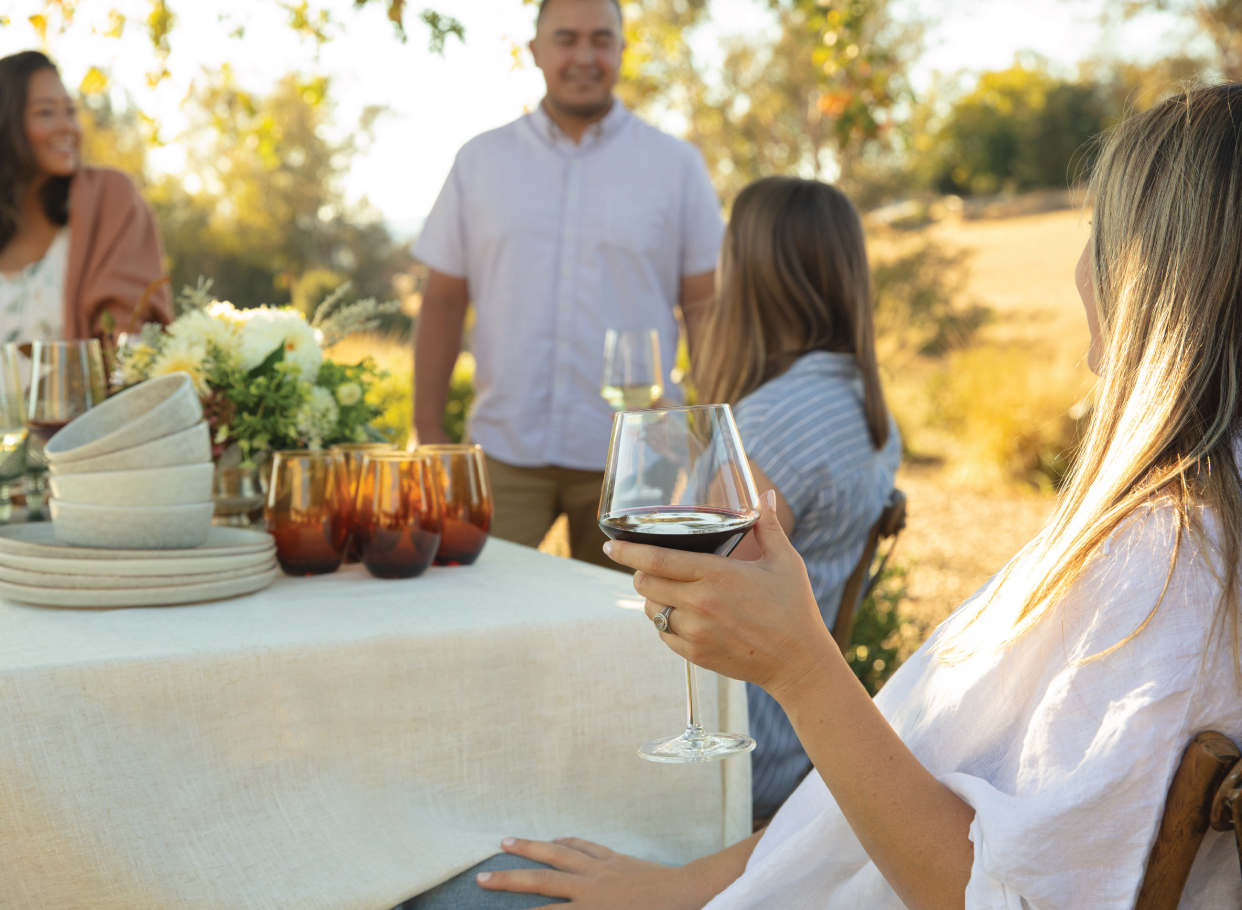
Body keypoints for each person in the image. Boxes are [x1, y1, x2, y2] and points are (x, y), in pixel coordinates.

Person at [400, 83, 1242, 909]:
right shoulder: (1167, 529)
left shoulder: (1168, 562)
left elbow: (999, 891)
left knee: (439, 857)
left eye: (1096, 234)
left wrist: (800, 668)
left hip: (765, 793)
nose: (1078, 267)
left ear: (1153, 273)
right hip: (796, 838)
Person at [412, 0, 724, 569]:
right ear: (534, 50)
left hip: (640, 462)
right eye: (566, 39)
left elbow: (704, 309)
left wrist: (713, 451)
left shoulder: (678, 166)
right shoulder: (479, 161)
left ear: (624, 48)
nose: (585, 56)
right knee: (479, 619)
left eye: (601, 39)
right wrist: (429, 433)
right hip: (501, 454)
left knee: (633, 633)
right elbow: (442, 300)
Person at [691, 176, 901, 823]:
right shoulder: (861, 404)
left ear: (750, 273)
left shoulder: (774, 420)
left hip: (730, 751)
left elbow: (695, 586)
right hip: (791, 740)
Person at [0, 50, 171, 347]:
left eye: (70, 111)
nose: (68, 127)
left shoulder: (110, 198)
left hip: (88, 394)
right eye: (46, 112)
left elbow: (130, 332)